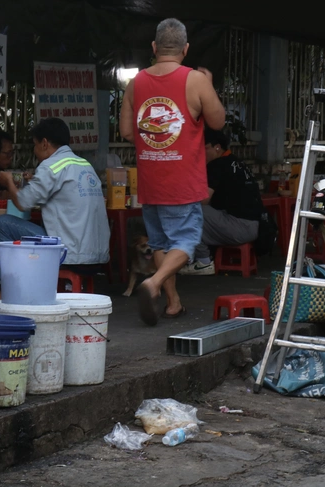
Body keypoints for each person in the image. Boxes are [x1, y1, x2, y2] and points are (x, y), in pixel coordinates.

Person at [119, 17, 225, 325]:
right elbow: (217, 123)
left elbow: (127, 131)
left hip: (151, 180)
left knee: (161, 244)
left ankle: (173, 302)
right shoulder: (195, 80)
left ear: (154, 47)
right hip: (182, 182)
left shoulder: (136, 82)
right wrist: (208, 84)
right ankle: (152, 283)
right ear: (186, 49)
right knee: (186, 242)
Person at [0, 117, 109, 282]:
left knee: (2, 223)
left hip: (68, 255)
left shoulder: (51, 166)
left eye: (35, 144)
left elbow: (22, 203)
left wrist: (9, 182)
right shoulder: (83, 164)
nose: (35, 150)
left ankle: (4, 284)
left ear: (44, 143)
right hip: (97, 256)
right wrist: (35, 181)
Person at [179, 128, 270, 275]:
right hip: (256, 227)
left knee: (189, 210)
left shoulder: (217, 165)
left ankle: (203, 261)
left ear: (217, 147)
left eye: (204, 148)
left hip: (238, 226)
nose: (201, 153)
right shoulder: (237, 162)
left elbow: (203, 199)